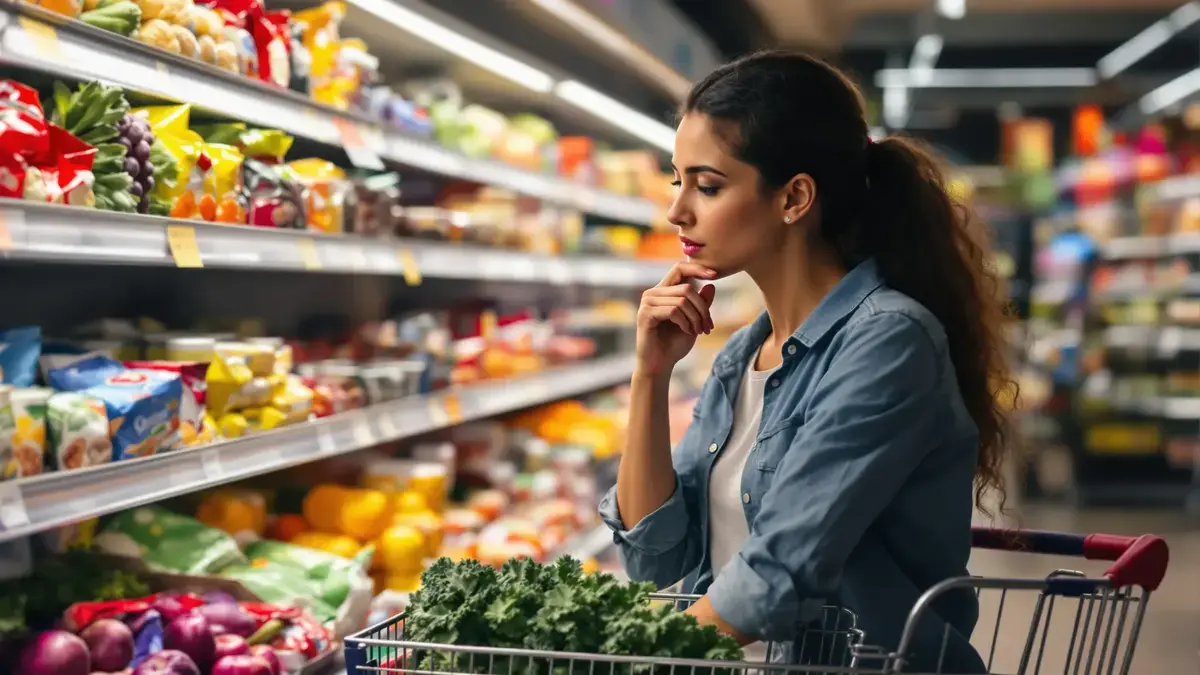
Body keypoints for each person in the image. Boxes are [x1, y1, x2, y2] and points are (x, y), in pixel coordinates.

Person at [598, 50, 1013, 673]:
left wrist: (633, 657)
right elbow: (659, 563)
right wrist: (649, 376)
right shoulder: (741, 357)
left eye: (707, 186)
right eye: (676, 180)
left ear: (794, 197)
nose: (677, 211)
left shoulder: (888, 342)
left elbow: (784, 568)